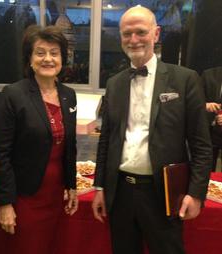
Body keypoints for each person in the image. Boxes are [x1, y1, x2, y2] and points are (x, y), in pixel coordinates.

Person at [92, 6, 212, 254]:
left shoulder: (185, 79)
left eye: (141, 32)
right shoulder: (114, 84)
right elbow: (106, 141)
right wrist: (100, 188)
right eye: (127, 34)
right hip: (121, 192)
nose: (133, 40)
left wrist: (196, 193)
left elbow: (201, 144)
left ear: (156, 34)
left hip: (164, 194)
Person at [0, 25, 78, 254]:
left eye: (54, 52)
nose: (48, 59)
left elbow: (70, 146)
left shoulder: (69, 95)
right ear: (29, 59)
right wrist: (5, 203)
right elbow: (1, 154)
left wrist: (72, 185)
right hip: (26, 197)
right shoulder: (14, 94)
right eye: (40, 52)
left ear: (62, 58)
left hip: (57, 196)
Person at [201, 66, 222, 171]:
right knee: (206, 172)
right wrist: (205, 105)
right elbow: (195, 99)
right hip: (208, 133)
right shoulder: (208, 74)